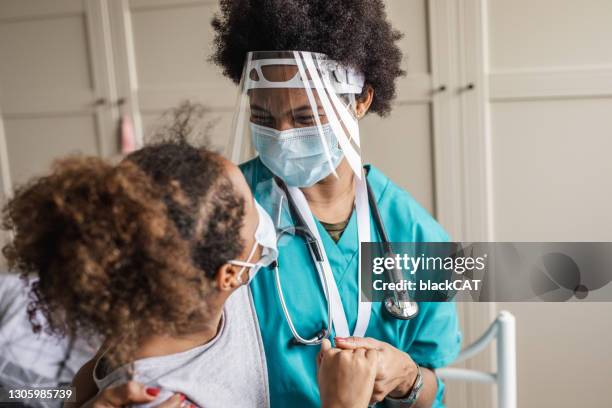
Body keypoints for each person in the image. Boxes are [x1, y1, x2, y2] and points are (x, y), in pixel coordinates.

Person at [211, 0, 462, 406]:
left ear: (360, 100)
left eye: (306, 118)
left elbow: (433, 390)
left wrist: (407, 378)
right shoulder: (224, 211)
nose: (282, 136)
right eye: (263, 117)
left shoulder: (415, 235)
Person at [2, 138, 380, 408]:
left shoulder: (153, 313)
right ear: (230, 274)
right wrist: (343, 404)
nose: (263, 219)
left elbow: (83, 384)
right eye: (251, 211)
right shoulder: (165, 399)